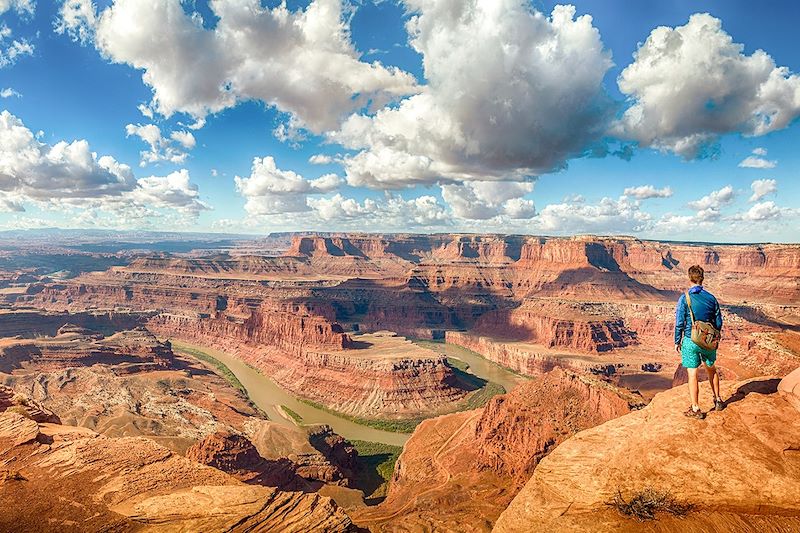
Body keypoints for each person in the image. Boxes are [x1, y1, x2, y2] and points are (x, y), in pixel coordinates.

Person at [674, 265, 724, 419]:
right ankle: (718, 400)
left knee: (692, 374)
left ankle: (696, 409)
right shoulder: (711, 298)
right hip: (707, 340)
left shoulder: (685, 298)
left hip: (690, 340)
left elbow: (679, 323)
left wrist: (677, 340)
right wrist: (712, 335)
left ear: (690, 278)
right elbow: (718, 322)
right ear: (702, 278)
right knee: (711, 369)